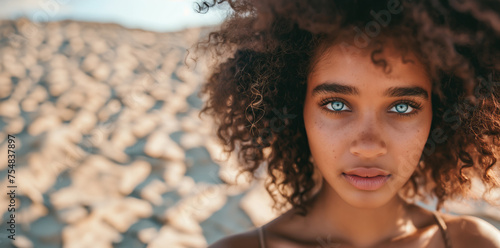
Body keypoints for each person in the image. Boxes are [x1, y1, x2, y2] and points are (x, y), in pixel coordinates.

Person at [192, 0, 500, 247]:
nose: (368, 147)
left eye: (402, 106)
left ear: (442, 111)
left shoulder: (474, 243)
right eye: (336, 104)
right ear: (296, 107)